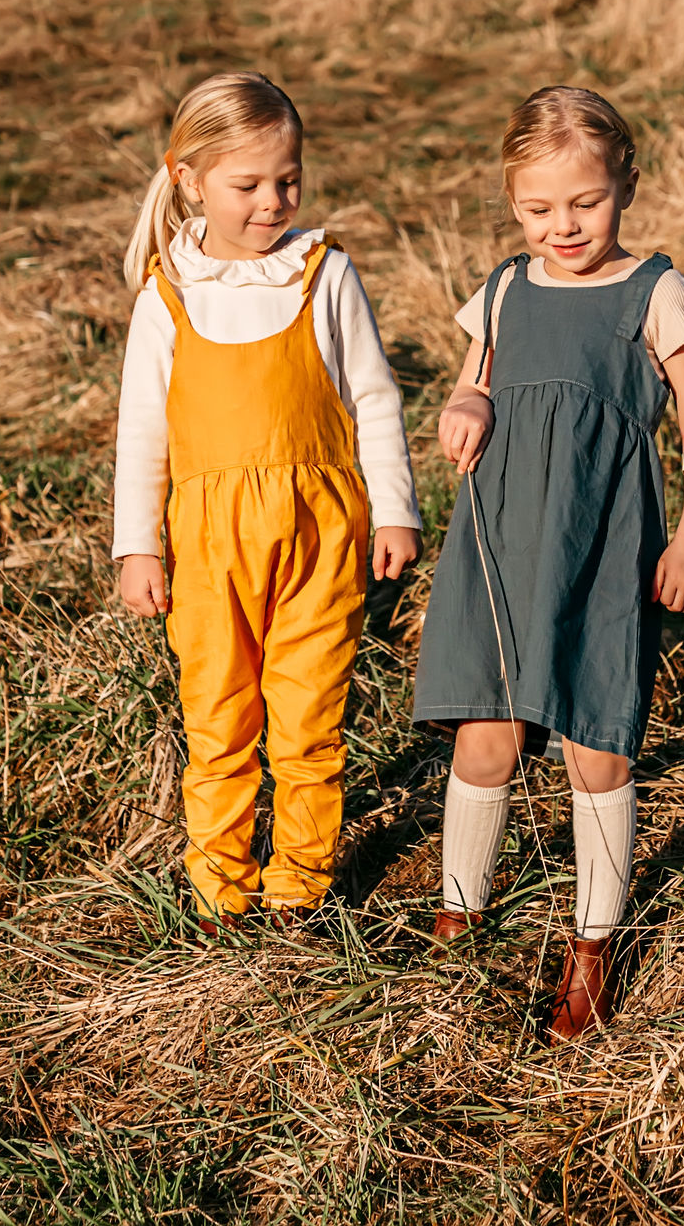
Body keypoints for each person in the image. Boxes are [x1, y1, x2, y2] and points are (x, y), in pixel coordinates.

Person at [413, 86, 684, 1040]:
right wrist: (465, 405)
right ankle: (458, 915)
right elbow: (473, 385)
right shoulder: (506, 288)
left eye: (584, 203)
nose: (564, 226)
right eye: (539, 208)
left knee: (597, 744)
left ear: (626, 183)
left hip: (599, 549)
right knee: (488, 736)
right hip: (501, 545)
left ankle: (593, 940)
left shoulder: (653, 291)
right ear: (513, 203)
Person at [114, 71, 422, 932]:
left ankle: (299, 885)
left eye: (287, 179)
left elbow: (375, 397)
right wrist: (136, 544)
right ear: (189, 179)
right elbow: (144, 433)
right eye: (246, 185)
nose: (271, 201)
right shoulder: (167, 295)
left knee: (310, 716)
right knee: (217, 715)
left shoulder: (324, 274)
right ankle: (220, 885)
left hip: (321, 536)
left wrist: (395, 507)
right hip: (209, 548)